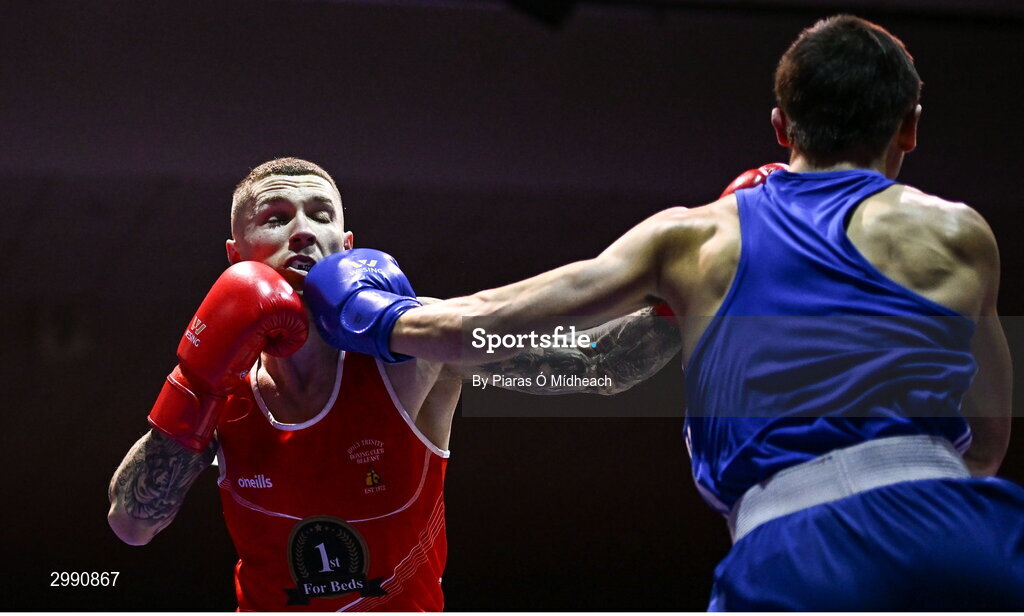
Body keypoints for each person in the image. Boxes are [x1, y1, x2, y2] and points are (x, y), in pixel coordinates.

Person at [305, 15, 1024, 609]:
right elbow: (987, 443)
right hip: (966, 537)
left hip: (802, 552)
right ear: (910, 127)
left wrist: (373, 315)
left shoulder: (701, 236)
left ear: (781, 125)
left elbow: (488, 320)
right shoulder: (962, 234)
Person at [106, 157, 681, 611]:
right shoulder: (221, 386)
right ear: (235, 256)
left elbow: (600, 363)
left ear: (347, 246)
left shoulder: (417, 351)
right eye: (276, 218)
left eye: (321, 216)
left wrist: (686, 297)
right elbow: (132, 525)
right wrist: (196, 385)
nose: (303, 232)